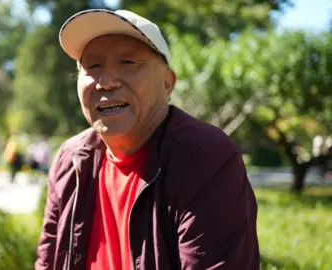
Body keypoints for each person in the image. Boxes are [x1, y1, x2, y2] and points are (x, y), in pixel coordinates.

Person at [36, 9, 260, 270]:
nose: (106, 81)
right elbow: (47, 262)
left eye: (128, 63)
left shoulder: (205, 157)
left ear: (167, 82)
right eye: (93, 66)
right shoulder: (70, 160)